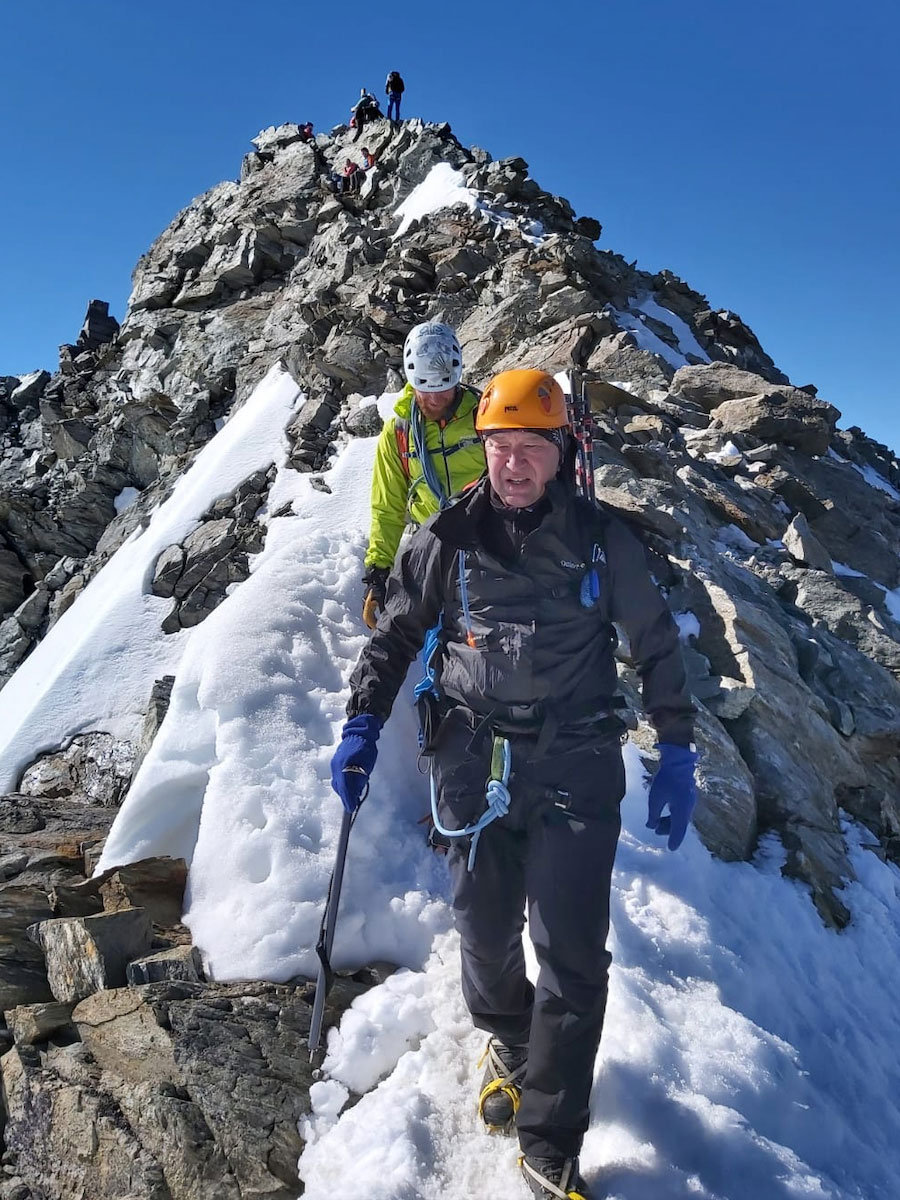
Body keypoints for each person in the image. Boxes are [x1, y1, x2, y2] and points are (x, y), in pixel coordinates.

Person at [330, 369, 697, 1199]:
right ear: (483, 449)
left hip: (574, 761)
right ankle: (509, 1037)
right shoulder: (444, 538)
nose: (516, 463)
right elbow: (394, 638)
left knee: (572, 956)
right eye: (502, 445)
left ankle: (549, 1138)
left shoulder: (606, 539)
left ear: (564, 452)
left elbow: (655, 644)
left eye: (534, 446)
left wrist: (675, 748)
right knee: (484, 931)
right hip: (471, 759)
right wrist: (360, 724)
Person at [360, 322, 484, 629]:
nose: (436, 399)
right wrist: (377, 572)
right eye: (426, 389)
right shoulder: (399, 432)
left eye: (444, 387)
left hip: (487, 544)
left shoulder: (483, 417)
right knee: (436, 640)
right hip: (432, 547)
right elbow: (387, 506)